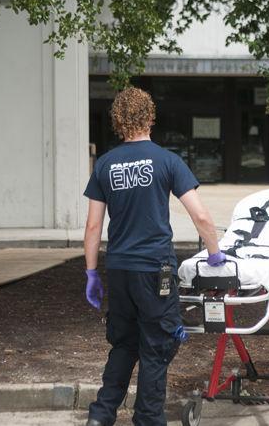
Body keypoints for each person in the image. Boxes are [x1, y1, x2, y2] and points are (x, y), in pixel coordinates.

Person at [83, 87, 225, 426]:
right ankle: (147, 418)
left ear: (118, 121)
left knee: (123, 343)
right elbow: (202, 217)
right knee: (157, 344)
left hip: (119, 269)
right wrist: (215, 254)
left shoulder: (105, 164)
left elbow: (92, 227)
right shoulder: (167, 161)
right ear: (150, 117)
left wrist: (91, 273)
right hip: (155, 270)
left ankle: (101, 415)